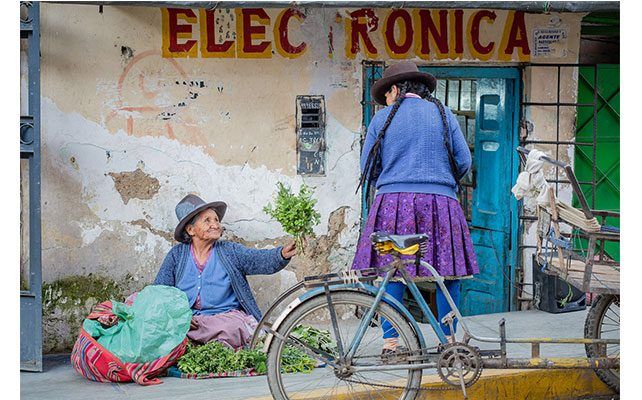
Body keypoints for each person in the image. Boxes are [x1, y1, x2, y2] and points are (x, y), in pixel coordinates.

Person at [351, 61, 479, 353]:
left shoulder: (381, 119)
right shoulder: (445, 115)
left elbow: (368, 169)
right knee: (449, 272)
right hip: (441, 204)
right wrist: (439, 180)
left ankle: (391, 342)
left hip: (392, 204)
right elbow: (463, 162)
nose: (385, 99)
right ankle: (449, 340)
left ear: (395, 89)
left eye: (386, 93)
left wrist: (394, 178)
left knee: (391, 270)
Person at [154, 194, 297, 350]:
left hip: (224, 319)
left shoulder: (229, 251)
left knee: (233, 328)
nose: (215, 225)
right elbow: (160, 291)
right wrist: (180, 316)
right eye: (207, 220)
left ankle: (196, 346)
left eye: (216, 220)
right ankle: (195, 343)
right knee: (152, 317)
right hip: (188, 321)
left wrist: (281, 254)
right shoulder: (177, 255)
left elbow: (257, 259)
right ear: (190, 230)